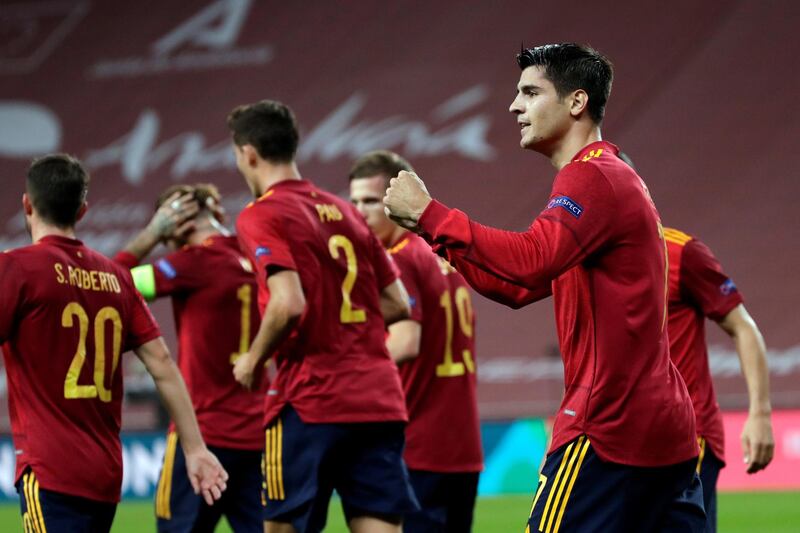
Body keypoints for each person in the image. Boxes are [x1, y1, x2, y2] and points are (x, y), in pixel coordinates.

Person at [383, 43, 706, 532]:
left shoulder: (590, 176)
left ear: (576, 102)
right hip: (664, 429)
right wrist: (432, 233)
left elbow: (532, 262)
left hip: (606, 427)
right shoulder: (614, 177)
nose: (515, 106)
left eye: (530, 92)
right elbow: (517, 287)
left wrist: (431, 214)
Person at [0, 154, 228, 533]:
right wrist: (195, 449)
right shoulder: (117, 280)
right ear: (83, 210)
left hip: (50, 469)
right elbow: (163, 364)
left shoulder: (16, 268)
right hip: (105, 474)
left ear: (27, 203)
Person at [226, 100, 419, 533]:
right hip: (377, 400)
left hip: (310, 399)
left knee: (282, 526)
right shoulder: (347, 211)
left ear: (249, 154)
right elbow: (397, 304)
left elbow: (287, 303)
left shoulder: (263, 213)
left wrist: (252, 361)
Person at [114, 183, 265, 533]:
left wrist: (150, 236)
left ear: (177, 223)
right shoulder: (258, 256)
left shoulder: (193, 262)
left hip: (202, 434)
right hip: (257, 435)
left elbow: (109, 287)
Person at [349, 150, 483, 533]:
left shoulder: (399, 260)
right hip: (462, 450)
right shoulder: (440, 254)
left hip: (419, 447)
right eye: (354, 201)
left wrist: (350, 374)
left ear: (395, 199)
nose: (359, 212)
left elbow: (406, 342)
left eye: (371, 201)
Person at [663, 226, 774, 532]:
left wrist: (760, 413)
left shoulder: (680, 253)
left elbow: (743, 326)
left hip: (688, 432)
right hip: (625, 436)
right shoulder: (587, 257)